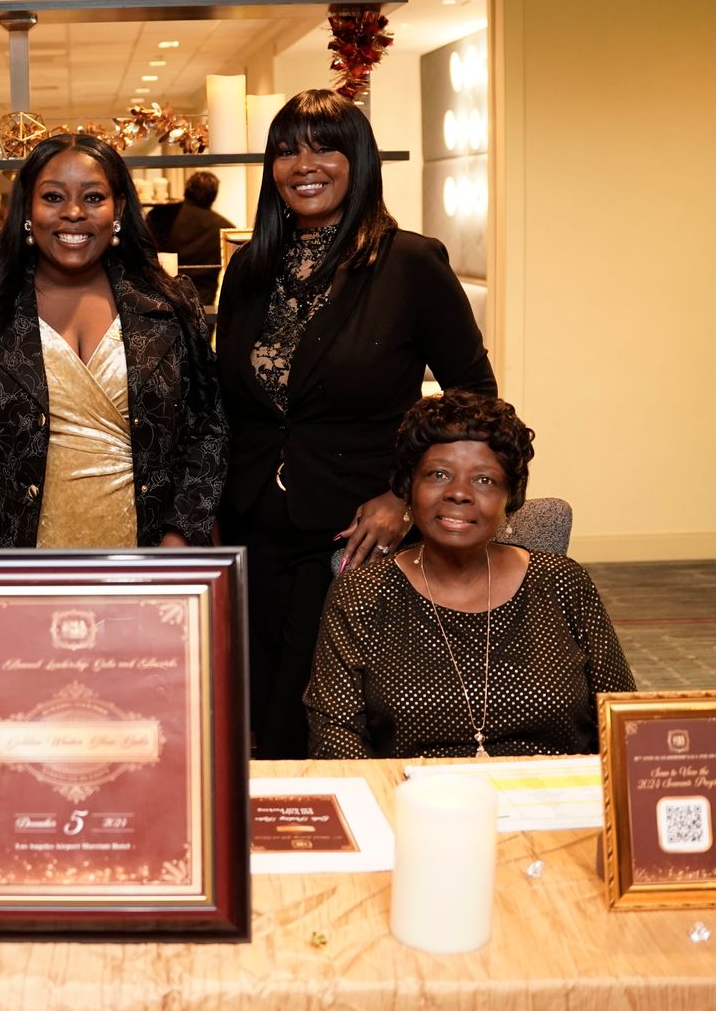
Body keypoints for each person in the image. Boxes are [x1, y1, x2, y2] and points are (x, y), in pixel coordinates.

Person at [216, 89, 495, 758]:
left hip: (350, 534)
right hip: (251, 525)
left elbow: (476, 397)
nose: (303, 164)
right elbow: (227, 402)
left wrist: (404, 494)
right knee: (245, 710)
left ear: (359, 160)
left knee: (311, 715)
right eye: (286, 150)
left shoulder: (409, 262)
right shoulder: (250, 267)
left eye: (324, 146)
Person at [0, 133, 226, 549]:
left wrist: (180, 536)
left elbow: (208, 428)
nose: (72, 213)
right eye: (52, 197)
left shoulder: (170, 305)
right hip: (13, 568)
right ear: (27, 209)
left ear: (118, 208)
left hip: (148, 564)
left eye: (92, 198)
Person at [305, 391, 635, 759]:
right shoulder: (362, 592)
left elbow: (623, 718)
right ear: (407, 490)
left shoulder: (562, 582)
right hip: (415, 803)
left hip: (556, 800)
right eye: (439, 474)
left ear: (509, 498)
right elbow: (335, 735)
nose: (459, 493)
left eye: (484, 480)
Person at [145, 170, 235, 304]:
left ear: (187, 190)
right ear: (214, 196)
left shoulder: (160, 215)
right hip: (202, 305)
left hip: (162, 297)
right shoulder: (225, 228)